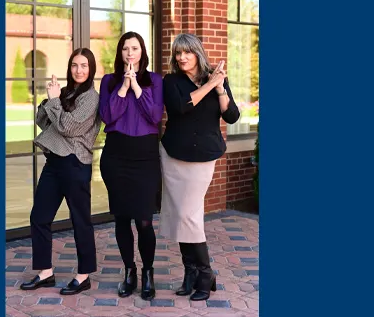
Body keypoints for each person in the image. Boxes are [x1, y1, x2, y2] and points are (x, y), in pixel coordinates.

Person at [159, 34, 239, 301]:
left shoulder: (216, 78)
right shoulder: (170, 81)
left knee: (189, 214)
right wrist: (211, 83)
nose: (181, 57)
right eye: (178, 53)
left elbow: (231, 115)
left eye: (187, 53)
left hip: (203, 156)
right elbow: (181, 107)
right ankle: (190, 272)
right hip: (174, 155)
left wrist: (219, 87)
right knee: (181, 213)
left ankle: (206, 274)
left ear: (197, 53)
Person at [18, 48, 101, 296]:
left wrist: (55, 102)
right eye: (75, 65)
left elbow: (68, 126)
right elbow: (42, 121)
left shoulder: (91, 98)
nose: (79, 70)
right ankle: (45, 272)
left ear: (91, 68)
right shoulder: (66, 93)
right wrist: (49, 99)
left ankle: (83, 275)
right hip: (54, 163)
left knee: (80, 221)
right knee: (39, 217)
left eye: (84, 65)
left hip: (75, 164)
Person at [97, 32, 163, 300]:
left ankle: (147, 272)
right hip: (116, 156)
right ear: (120, 53)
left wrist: (136, 87)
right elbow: (107, 116)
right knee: (122, 218)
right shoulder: (109, 81)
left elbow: (155, 115)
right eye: (125, 49)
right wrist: (123, 88)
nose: (130, 53)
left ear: (142, 51)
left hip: (145, 158)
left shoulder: (155, 81)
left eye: (134, 48)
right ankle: (129, 271)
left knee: (145, 221)